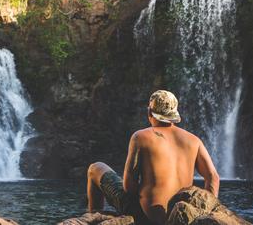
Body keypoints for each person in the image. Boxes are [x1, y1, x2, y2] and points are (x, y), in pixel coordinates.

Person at [86, 90, 220, 225]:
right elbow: (213, 177)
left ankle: (94, 218)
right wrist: (204, 214)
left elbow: (128, 187)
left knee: (95, 168)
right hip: (180, 218)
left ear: (149, 112)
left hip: (145, 217)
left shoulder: (140, 137)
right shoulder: (194, 141)